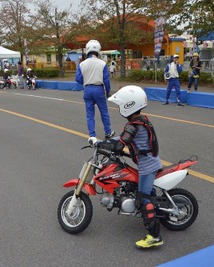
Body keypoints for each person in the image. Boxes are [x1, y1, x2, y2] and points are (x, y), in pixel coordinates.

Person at [92, 85, 163, 249]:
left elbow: (119, 144)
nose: (119, 108)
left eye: (120, 105)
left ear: (129, 105)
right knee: (147, 193)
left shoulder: (134, 125)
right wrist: (104, 141)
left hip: (148, 167)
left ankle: (154, 236)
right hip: (150, 162)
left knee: (144, 198)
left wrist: (103, 144)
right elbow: (122, 138)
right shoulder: (140, 120)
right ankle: (157, 212)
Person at [75, 39, 115, 139]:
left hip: (87, 90)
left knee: (90, 114)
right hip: (99, 89)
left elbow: (78, 79)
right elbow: (106, 80)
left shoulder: (82, 64)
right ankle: (108, 132)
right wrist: (108, 91)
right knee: (104, 112)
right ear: (98, 50)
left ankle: (92, 135)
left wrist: (86, 80)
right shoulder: (102, 63)